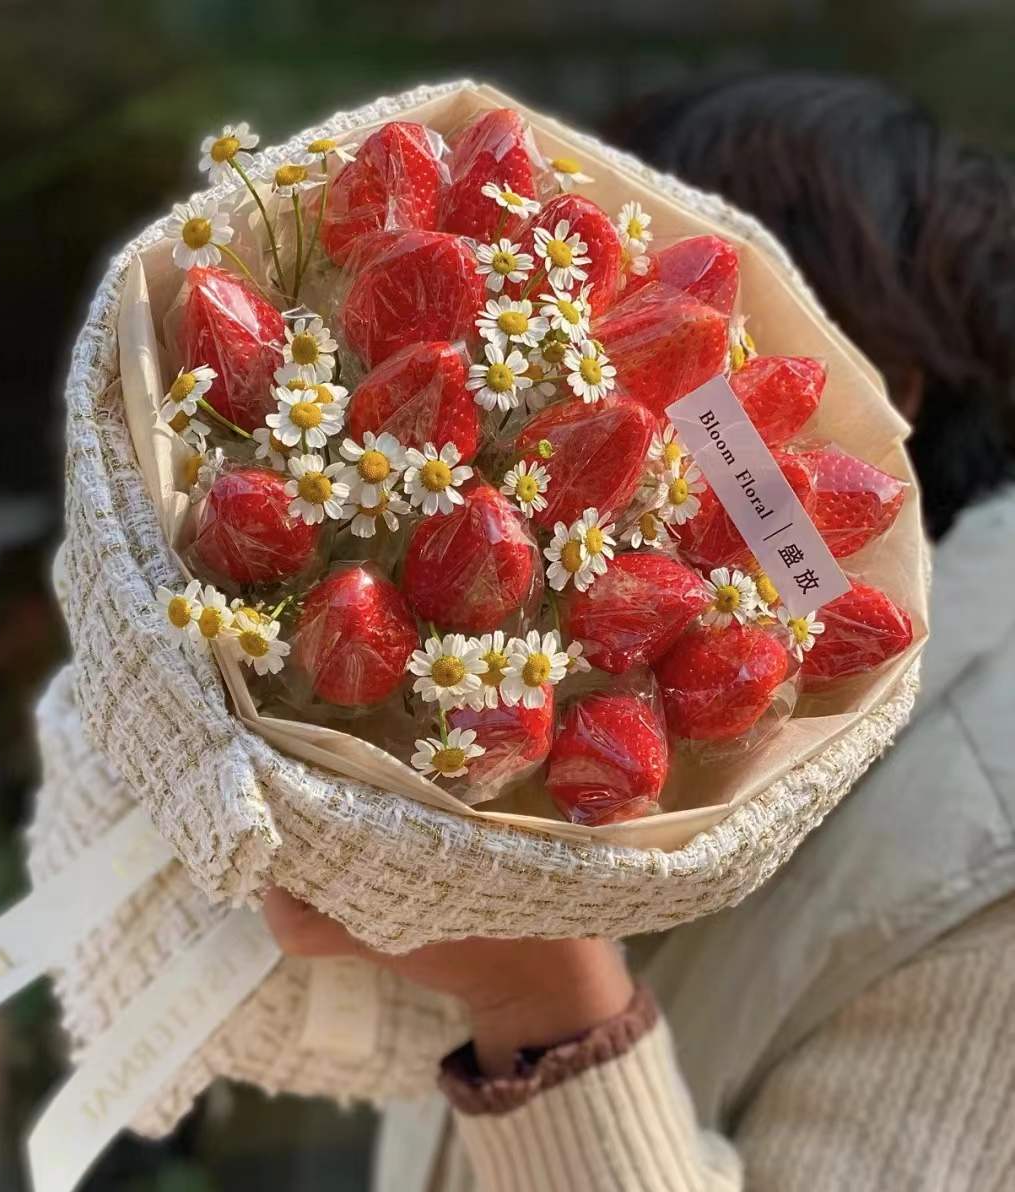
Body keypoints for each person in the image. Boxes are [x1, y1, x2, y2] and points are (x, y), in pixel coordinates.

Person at [265, 72, 1015, 1191]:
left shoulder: (983, 851)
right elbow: (308, 1023)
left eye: (673, 328)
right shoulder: (629, 703)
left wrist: (537, 994)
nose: (598, 361)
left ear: (871, 395)